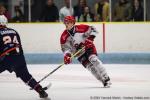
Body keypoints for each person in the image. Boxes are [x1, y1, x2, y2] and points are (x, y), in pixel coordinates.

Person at [0, 15, 48, 98]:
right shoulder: (14, 31)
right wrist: (21, 60)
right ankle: (40, 90)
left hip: (6, 58)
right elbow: (20, 46)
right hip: (19, 57)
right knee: (26, 76)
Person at [60, 16, 111, 87]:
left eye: (68, 22)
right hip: (79, 54)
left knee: (93, 59)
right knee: (91, 68)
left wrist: (90, 39)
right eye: (65, 22)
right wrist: (67, 56)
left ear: (73, 23)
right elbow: (65, 48)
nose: (66, 24)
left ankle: (106, 77)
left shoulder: (81, 28)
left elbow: (94, 29)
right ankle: (103, 81)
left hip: (88, 47)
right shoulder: (64, 36)